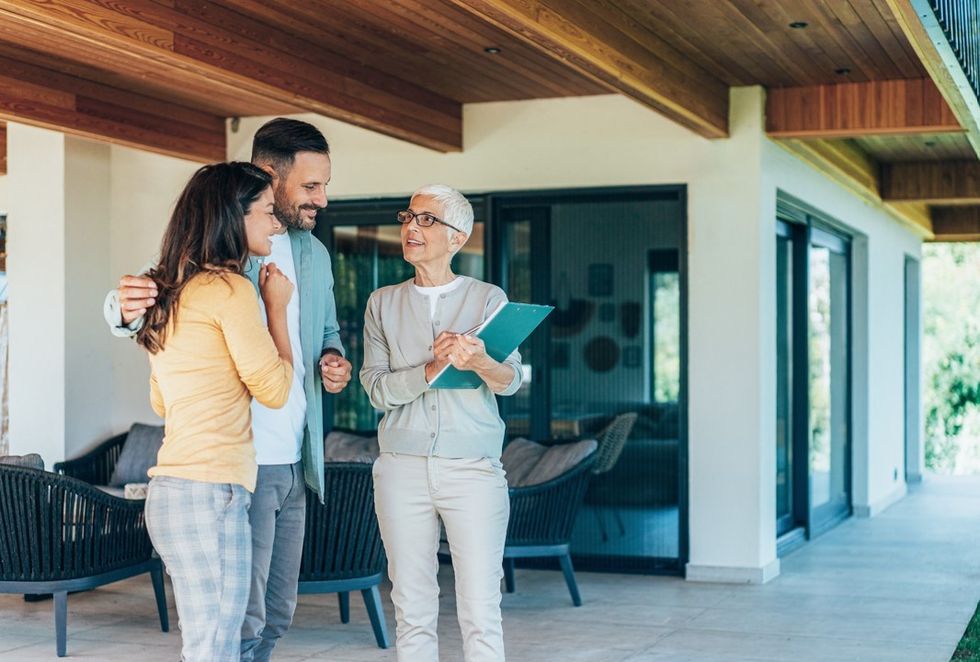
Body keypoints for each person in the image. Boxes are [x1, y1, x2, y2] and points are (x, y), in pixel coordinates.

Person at [104, 118, 353, 662]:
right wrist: (119, 311)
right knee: (238, 623)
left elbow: (326, 333)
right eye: (311, 186)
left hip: (293, 461)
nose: (323, 200)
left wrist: (334, 360)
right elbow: (147, 297)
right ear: (268, 179)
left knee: (276, 612)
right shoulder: (227, 256)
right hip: (239, 465)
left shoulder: (313, 256)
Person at [360, 184, 522, 662]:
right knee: (411, 606)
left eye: (427, 220)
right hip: (400, 468)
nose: (411, 227)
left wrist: (478, 362)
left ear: (458, 237)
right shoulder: (382, 303)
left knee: (480, 608)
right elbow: (376, 390)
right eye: (408, 217)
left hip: (472, 468)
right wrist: (431, 370)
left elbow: (509, 380)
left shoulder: (488, 298)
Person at [139, 161, 294, 661]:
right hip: (212, 493)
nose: (276, 223)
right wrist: (276, 310)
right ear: (234, 216)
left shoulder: (169, 295)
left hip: (168, 493)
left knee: (203, 645)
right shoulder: (231, 290)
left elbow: (160, 401)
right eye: (268, 212)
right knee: (215, 650)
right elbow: (274, 389)